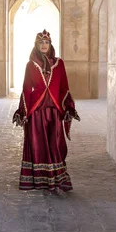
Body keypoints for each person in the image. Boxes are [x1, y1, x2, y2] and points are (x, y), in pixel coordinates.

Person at [13, 29, 80, 193]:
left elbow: (64, 87)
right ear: (36, 45)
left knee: (55, 145)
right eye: (41, 42)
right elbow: (27, 89)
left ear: (50, 45)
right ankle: (39, 181)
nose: (44, 45)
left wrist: (69, 107)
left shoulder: (59, 63)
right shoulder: (31, 64)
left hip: (54, 111)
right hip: (36, 112)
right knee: (37, 146)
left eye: (47, 42)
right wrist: (23, 111)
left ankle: (56, 179)